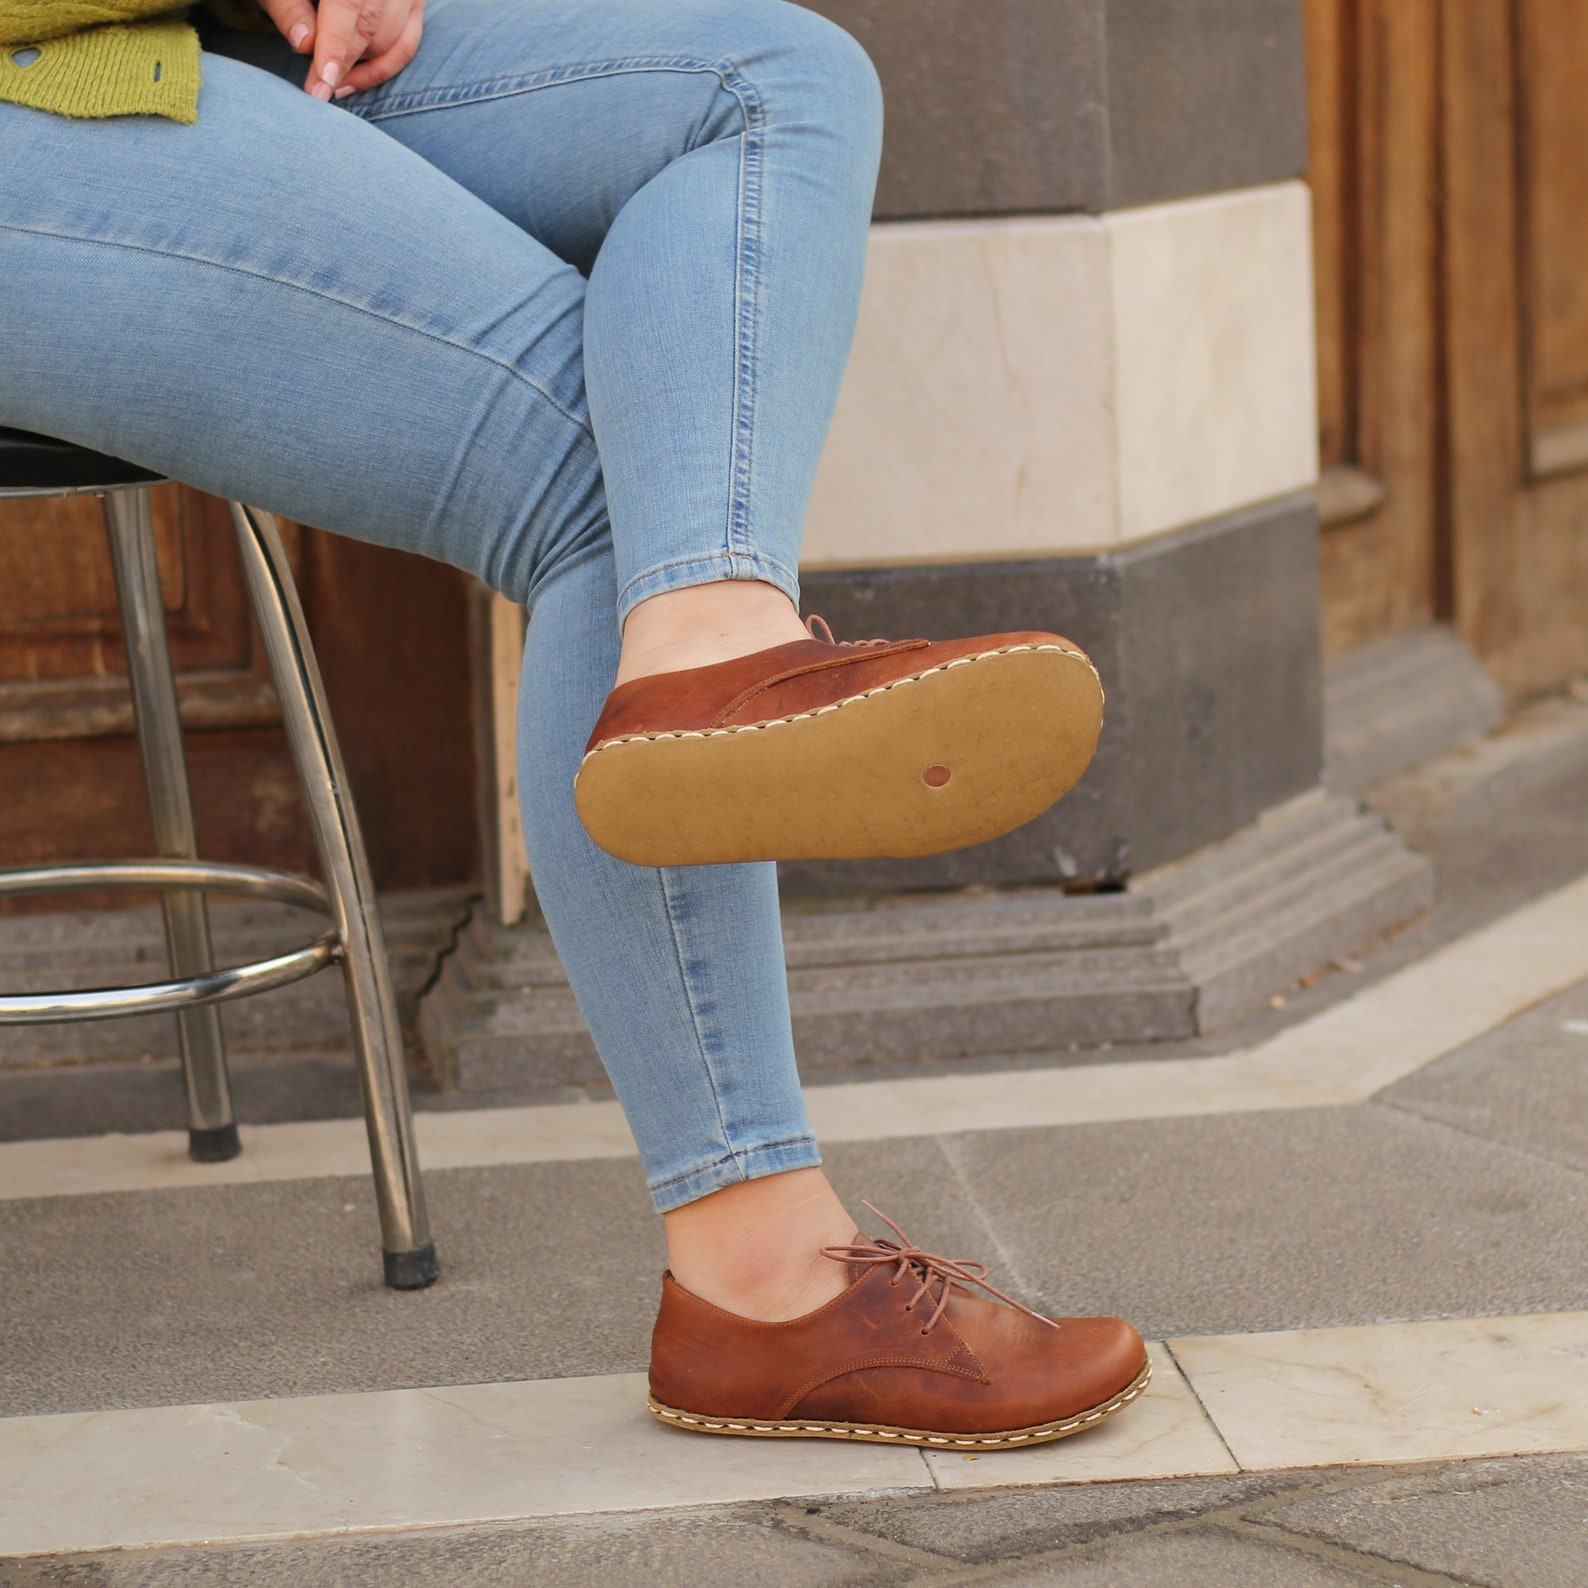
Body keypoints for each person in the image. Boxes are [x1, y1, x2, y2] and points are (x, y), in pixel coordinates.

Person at [0, 0, 1147, 1449]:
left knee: (778, 84)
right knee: (613, 468)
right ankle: (760, 1274)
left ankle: (707, 645)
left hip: (189, 35)